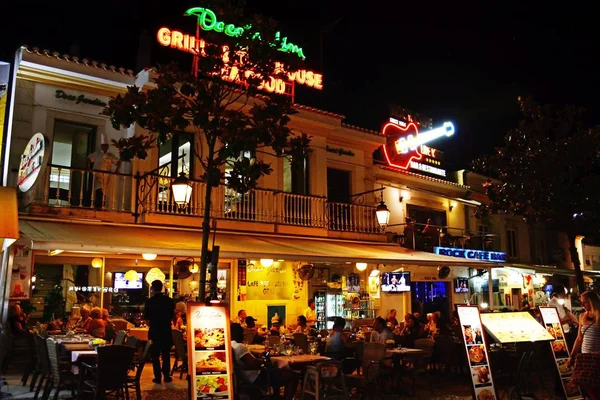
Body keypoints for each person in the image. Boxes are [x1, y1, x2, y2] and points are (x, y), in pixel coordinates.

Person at [231, 323, 298, 400]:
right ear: (238, 333)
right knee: (293, 376)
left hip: (245, 376)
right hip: (256, 376)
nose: (244, 334)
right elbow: (253, 363)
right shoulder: (239, 346)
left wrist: (261, 356)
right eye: (242, 332)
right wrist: (263, 360)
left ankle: (276, 396)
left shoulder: (232, 345)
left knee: (276, 371)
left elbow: (247, 360)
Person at [568, 291, 600, 399]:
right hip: (584, 357)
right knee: (583, 383)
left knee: (595, 387)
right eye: (581, 302)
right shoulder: (582, 316)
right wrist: (572, 356)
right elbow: (579, 338)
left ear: (592, 302)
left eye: (585, 302)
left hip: (597, 358)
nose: (582, 305)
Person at [144, 280, 175, 384]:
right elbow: (172, 317)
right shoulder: (170, 301)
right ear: (162, 287)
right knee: (166, 354)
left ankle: (157, 377)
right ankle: (167, 376)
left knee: (155, 355)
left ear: (152, 288)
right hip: (166, 330)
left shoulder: (149, 302)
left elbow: (147, 321)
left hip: (154, 331)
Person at [88, 138, 121, 209]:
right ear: (101, 146)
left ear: (107, 146)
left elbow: (118, 162)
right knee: (98, 190)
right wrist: (90, 168)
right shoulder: (97, 154)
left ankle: (102, 206)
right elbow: (89, 159)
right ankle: (98, 206)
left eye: (105, 145)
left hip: (106, 176)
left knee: (105, 192)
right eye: (103, 145)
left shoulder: (110, 155)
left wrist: (116, 170)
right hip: (97, 176)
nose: (104, 147)